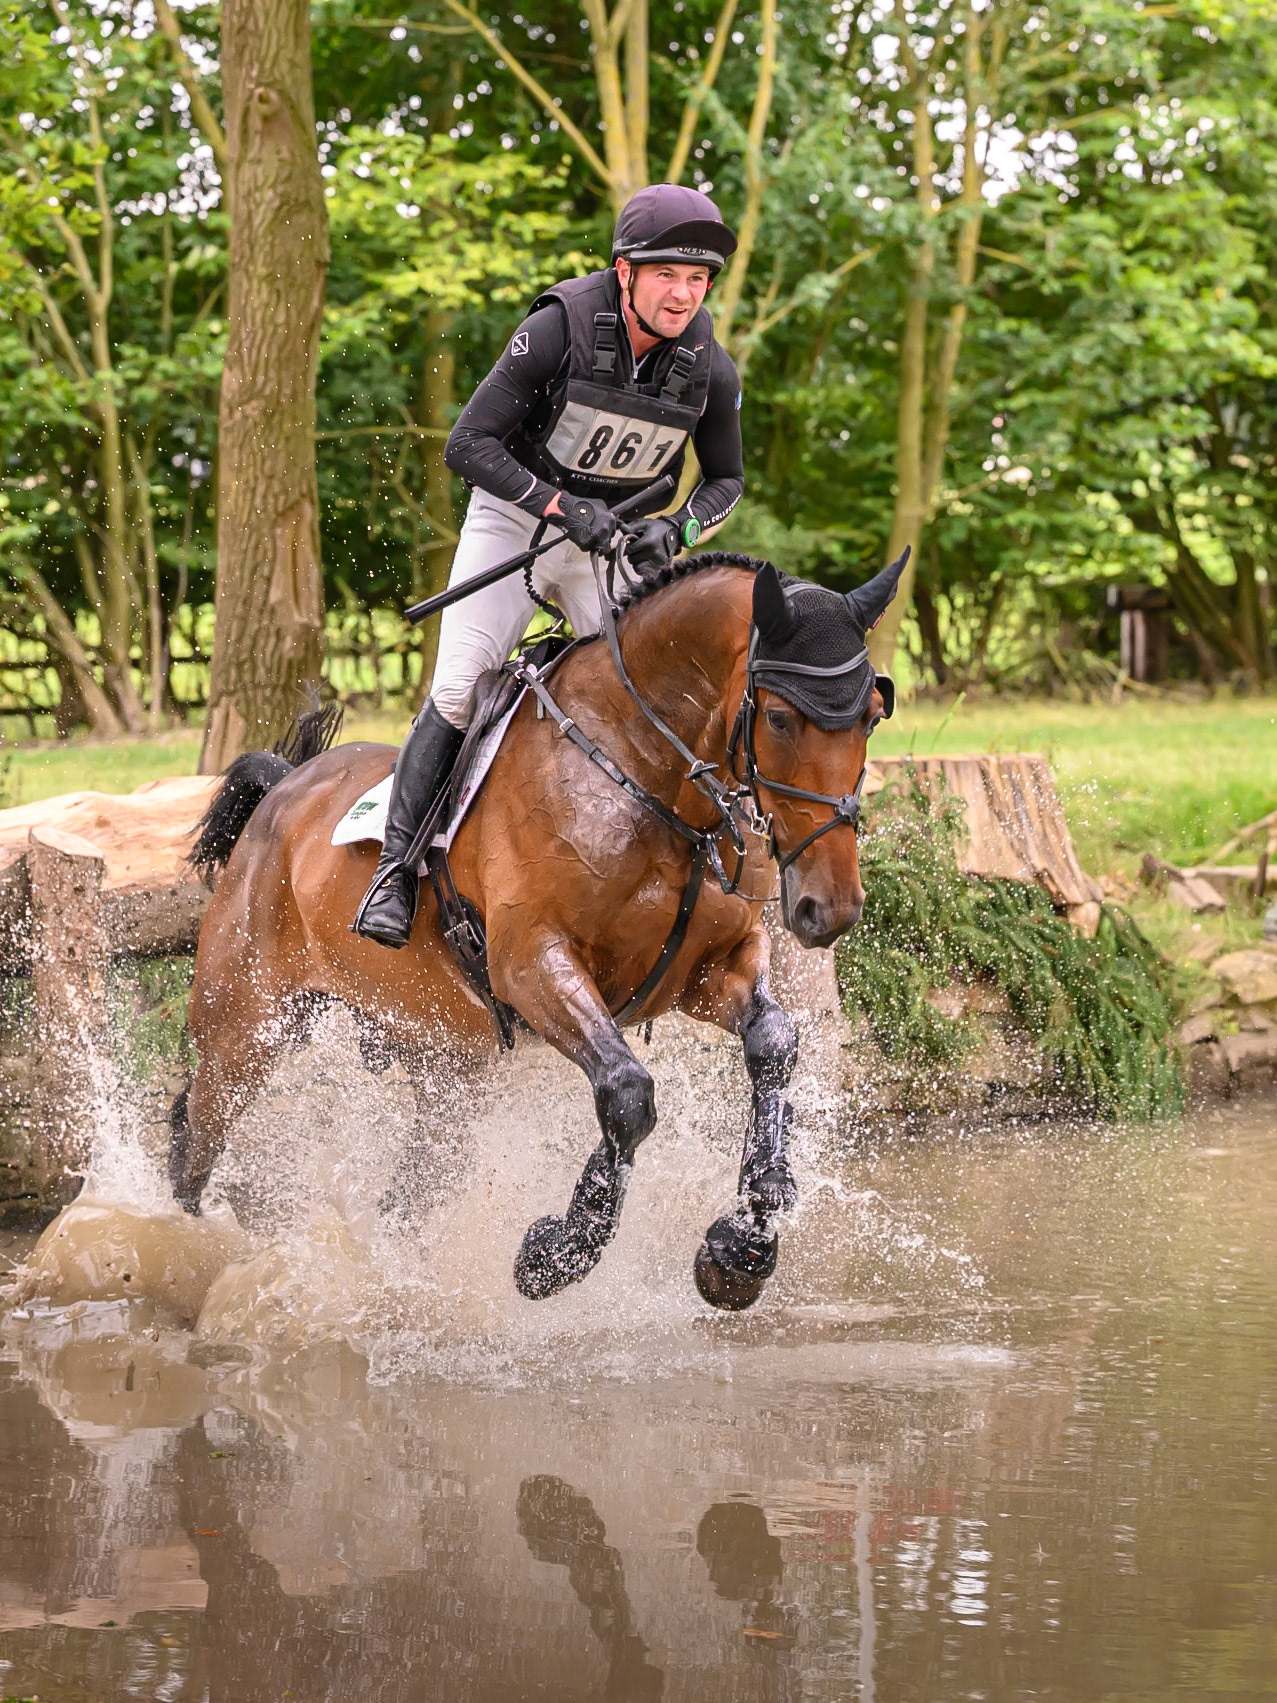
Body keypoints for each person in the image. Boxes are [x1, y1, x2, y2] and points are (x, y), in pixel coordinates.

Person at [354, 182, 746, 948]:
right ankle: (394, 872)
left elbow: (725, 480)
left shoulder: (709, 368)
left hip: (615, 540)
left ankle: (687, 865)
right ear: (624, 271)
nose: (684, 294)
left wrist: (681, 528)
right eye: (668, 274)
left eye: (698, 280)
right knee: (463, 681)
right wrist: (562, 509)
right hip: (515, 521)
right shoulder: (557, 328)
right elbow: (466, 446)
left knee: (663, 693)